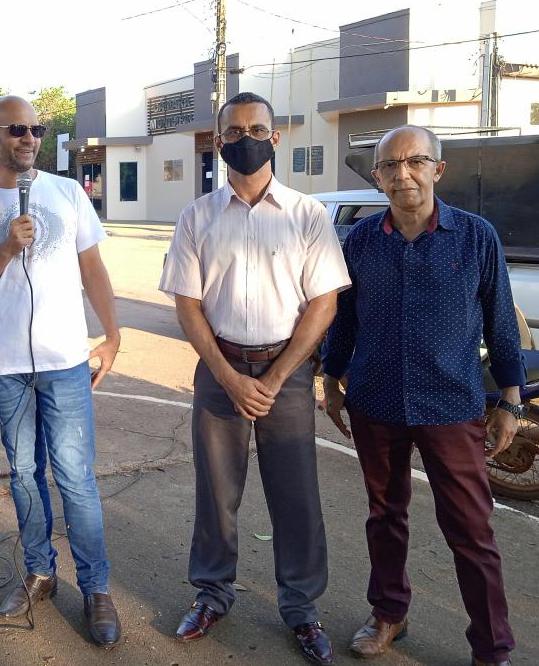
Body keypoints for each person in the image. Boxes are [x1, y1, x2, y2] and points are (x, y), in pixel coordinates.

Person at [159, 91, 350, 665]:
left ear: (277, 137)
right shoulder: (197, 217)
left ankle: (301, 609)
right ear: (219, 143)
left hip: (285, 374)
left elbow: (323, 305)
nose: (246, 139)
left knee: (296, 497)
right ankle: (212, 593)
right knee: (217, 494)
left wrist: (275, 375)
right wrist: (229, 376)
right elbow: (188, 305)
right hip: (219, 372)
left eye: (257, 128)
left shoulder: (307, 216)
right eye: (234, 132)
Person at [322, 125, 523, 666]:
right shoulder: (361, 241)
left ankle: (491, 646)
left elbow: (502, 323)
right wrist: (331, 380)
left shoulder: (475, 236)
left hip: (452, 406)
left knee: (471, 530)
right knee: (384, 515)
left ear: (438, 169)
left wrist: (509, 400)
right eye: (390, 165)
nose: (402, 173)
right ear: (377, 177)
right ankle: (389, 613)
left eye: (415, 161)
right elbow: (344, 321)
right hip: (376, 402)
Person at [0, 95, 122, 648]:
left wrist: (113, 334)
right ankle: (39, 572)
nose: (29, 138)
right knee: (24, 476)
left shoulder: (67, 192)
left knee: (75, 477)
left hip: (66, 361)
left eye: (36, 129)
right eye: (17, 129)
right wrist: (3, 250)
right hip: (7, 366)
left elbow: (92, 266)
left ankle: (96, 588)